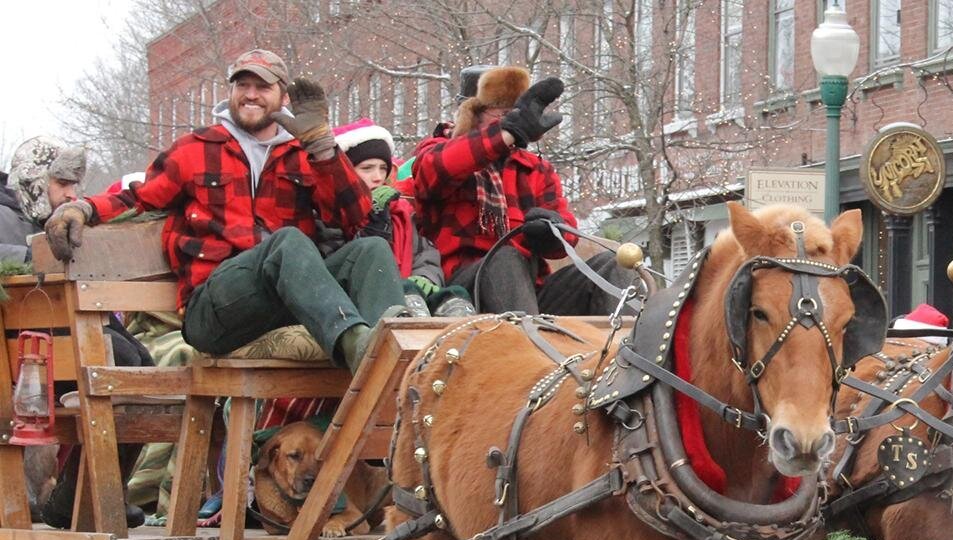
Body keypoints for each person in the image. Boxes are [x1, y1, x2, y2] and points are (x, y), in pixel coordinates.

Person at [44, 49, 405, 374]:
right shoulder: (196, 149)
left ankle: (399, 358)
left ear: (283, 97)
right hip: (213, 307)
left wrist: (324, 149)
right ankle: (359, 348)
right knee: (288, 242)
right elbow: (139, 198)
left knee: (369, 251)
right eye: (242, 85)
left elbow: (355, 216)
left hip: (280, 303)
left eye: (262, 87)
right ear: (231, 92)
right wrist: (83, 207)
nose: (250, 94)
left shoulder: (303, 153)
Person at [4, 135, 152, 528]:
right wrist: (42, 255)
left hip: (65, 332)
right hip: (26, 357)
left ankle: (85, 494)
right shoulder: (6, 214)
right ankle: (78, 496)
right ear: (36, 180)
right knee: (119, 366)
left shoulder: (52, 220)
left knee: (144, 367)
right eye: (63, 184)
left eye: (75, 185)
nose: (72, 194)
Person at [409, 65, 629, 316]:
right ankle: (527, 350)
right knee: (504, 259)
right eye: (504, 114)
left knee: (614, 264)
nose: (513, 121)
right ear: (474, 113)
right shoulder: (439, 149)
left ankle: (619, 350)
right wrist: (505, 134)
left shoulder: (535, 169)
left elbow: (567, 236)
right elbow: (438, 169)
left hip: (528, 291)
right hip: (460, 294)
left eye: (518, 115)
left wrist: (552, 232)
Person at [329, 120, 472, 317]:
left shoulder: (402, 210)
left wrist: (425, 278)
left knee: (455, 295)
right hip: (360, 297)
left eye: (382, 168)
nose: (377, 177)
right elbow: (338, 261)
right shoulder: (333, 209)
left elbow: (424, 254)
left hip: (409, 288)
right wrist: (373, 225)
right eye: (367, 168)